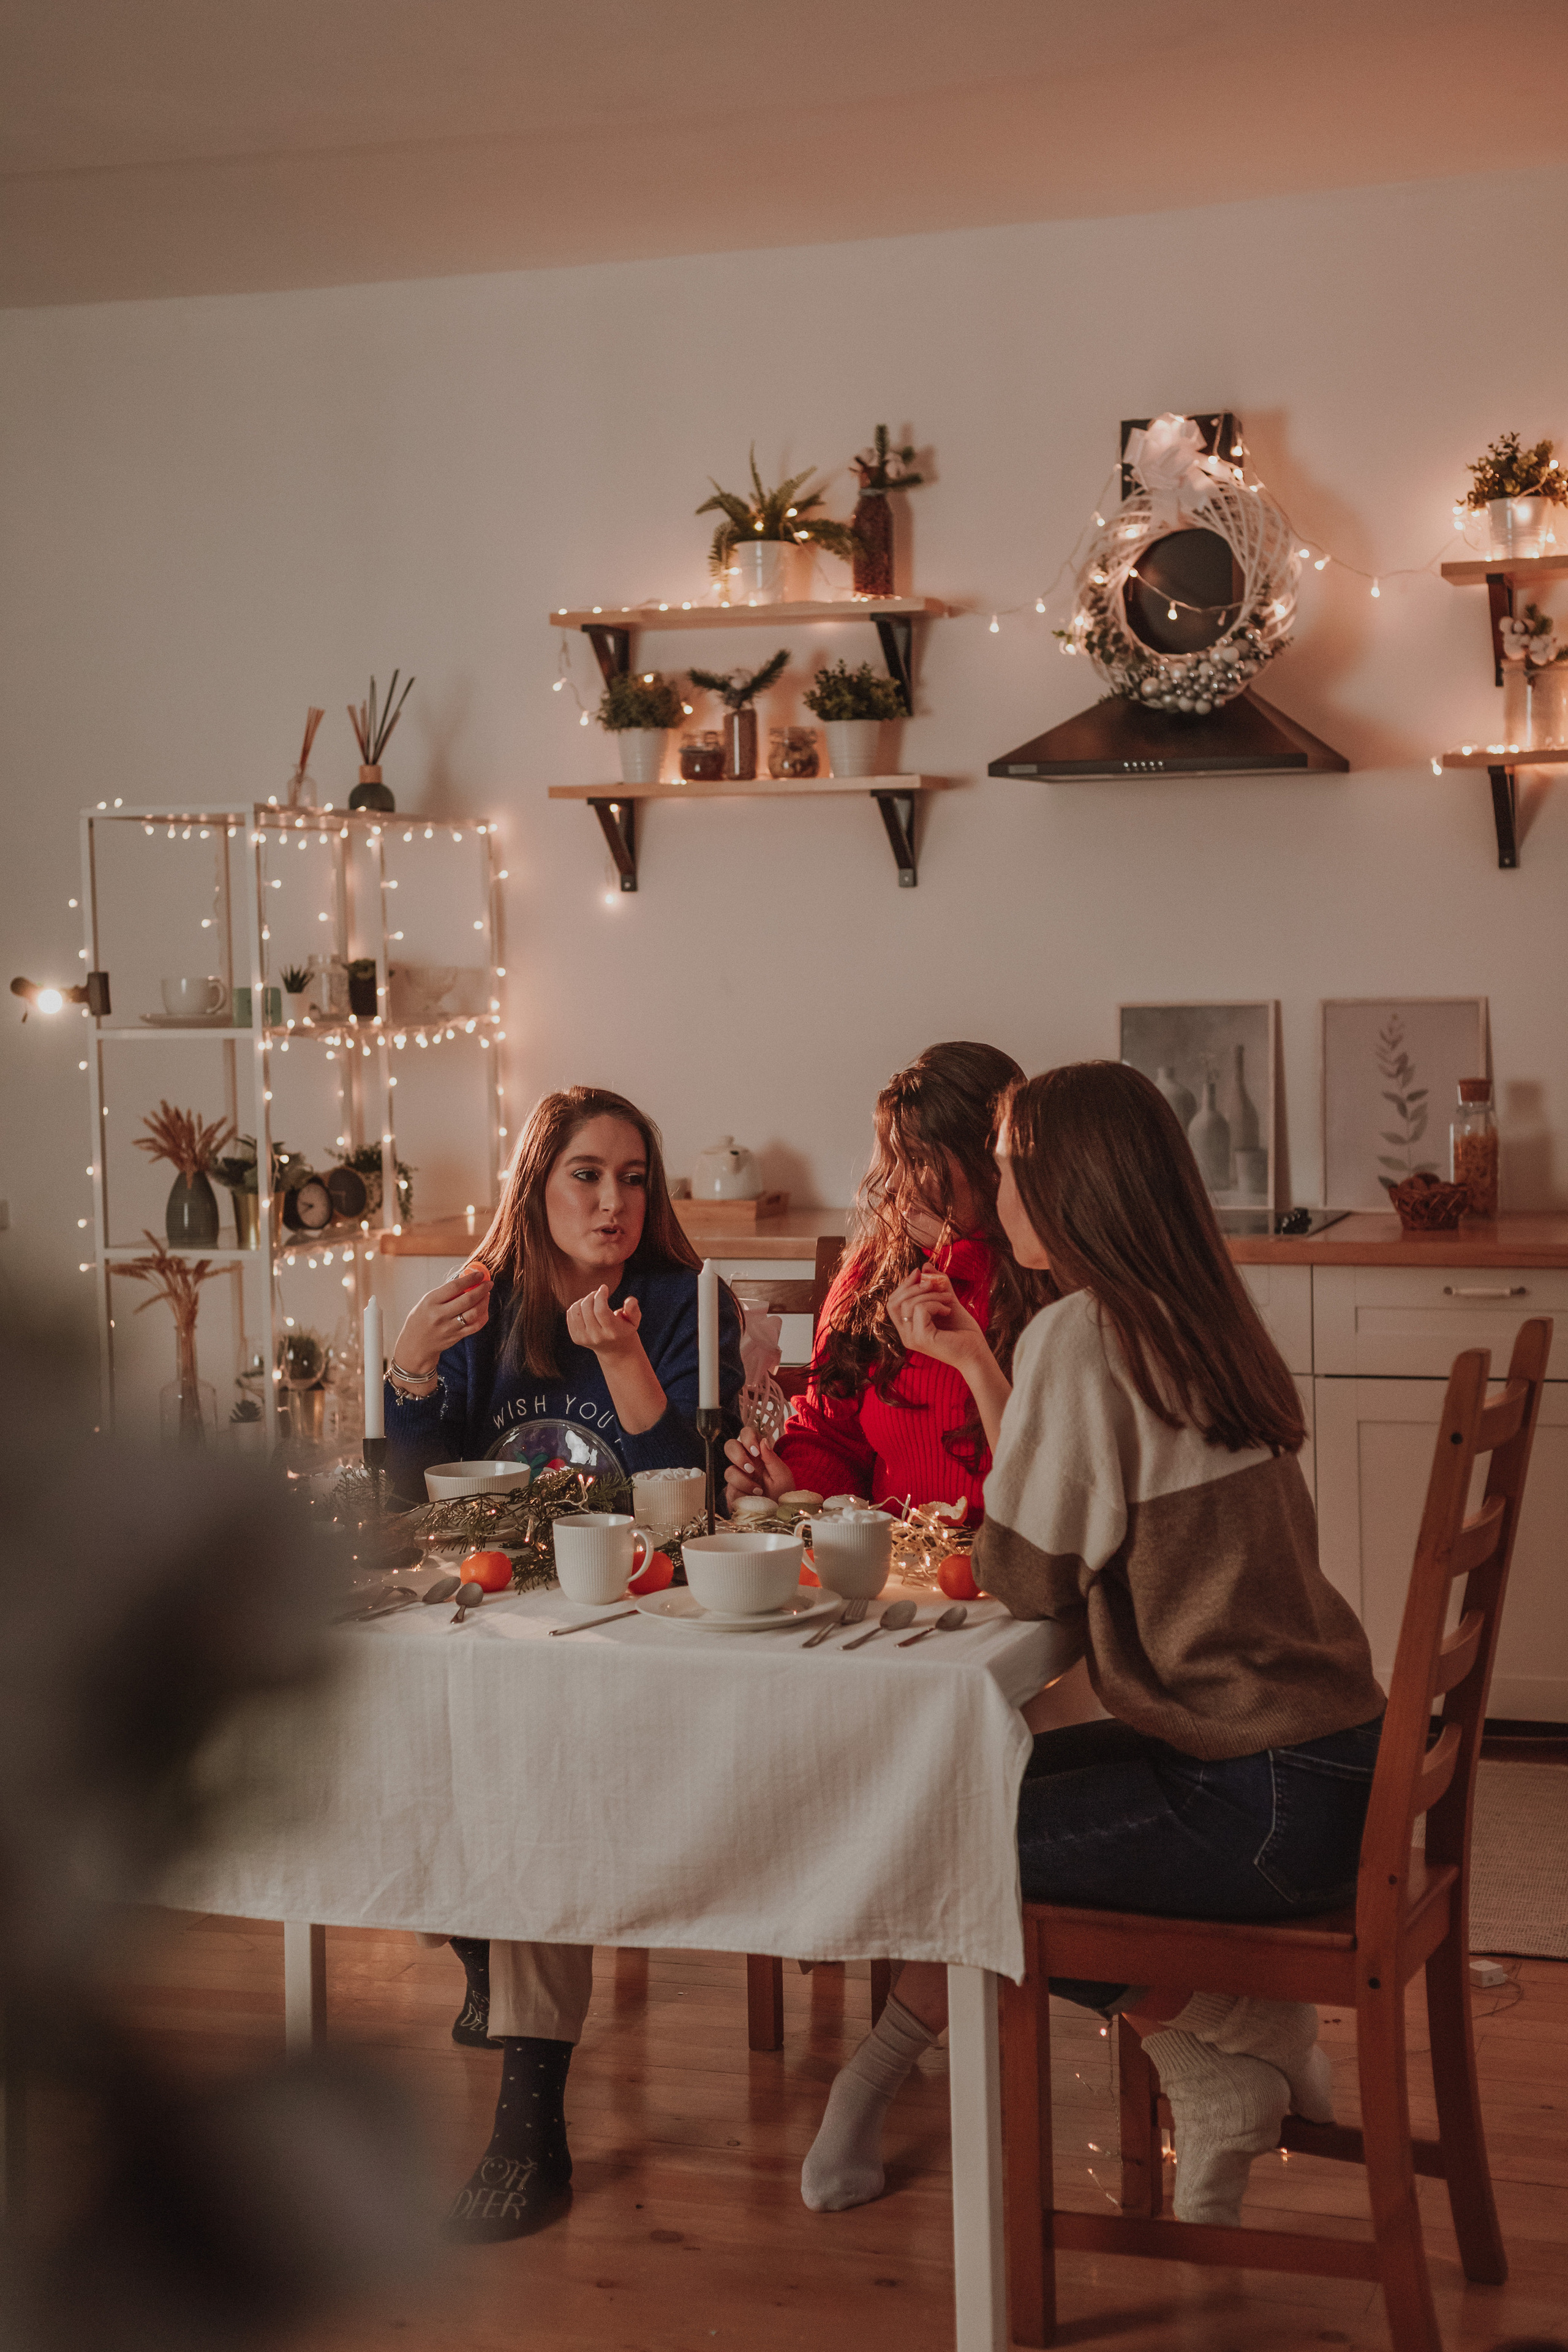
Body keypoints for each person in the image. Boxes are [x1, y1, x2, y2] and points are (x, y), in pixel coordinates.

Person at [801, 1061, 1385, 2229]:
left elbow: (1023, 1575)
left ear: (1066, 1188)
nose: (996, 1187)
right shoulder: (1204, 1316)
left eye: (1011, 1165)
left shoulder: (1079, 1332)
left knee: (938, 1836)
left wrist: (986, 1388)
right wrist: (984, 1371)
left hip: (1250, 1801)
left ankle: (1208, 2039)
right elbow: (1066, 1548)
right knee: (958, 1796)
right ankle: (1225, 2036)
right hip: (1334, 1774)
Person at [384, 1085, 743, 2245]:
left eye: (635, 1177)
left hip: (637, 1620)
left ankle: (530, 2123)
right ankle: (481, 1937)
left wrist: (633, 1363)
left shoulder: (686, 1300)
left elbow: (694, 1513)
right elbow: (416, 1509)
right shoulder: (486, 1306)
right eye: (587, 1174)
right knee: (408, 1723)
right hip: (497, 1613)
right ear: (538, 1189)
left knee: (533, 1774)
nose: (615, 1201)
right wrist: (409, 1382)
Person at [725, 1041, 1054, 1518]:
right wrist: (787, 1486)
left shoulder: (1053, 1281)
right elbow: (831, 1440)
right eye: (891, 1160)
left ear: (993, 1163)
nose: (896, 1185)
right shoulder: (871, 1277)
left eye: (919, 1160)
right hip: (896, 1568)